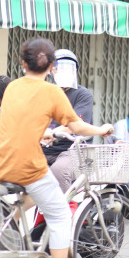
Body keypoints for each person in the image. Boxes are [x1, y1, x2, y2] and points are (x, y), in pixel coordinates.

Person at [0, 37, 113, 258]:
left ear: (23, 64)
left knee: (32, 195)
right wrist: (102, 129)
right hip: (27, 164)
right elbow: (78, 126)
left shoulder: (13, 86)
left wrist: (44, 133)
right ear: (51, 67)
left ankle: (3, 229)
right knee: (61, 215)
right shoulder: (51, 92)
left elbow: (19, 124)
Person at [42, 49, 95, 192]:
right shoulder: (45, 93)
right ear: (51, 71)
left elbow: (75, 124)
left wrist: (53, 133)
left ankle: (63, 206)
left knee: (59, 171)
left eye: (69, 68)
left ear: (74, 71)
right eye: (59, 68)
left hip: (73, 149)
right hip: (45, 148)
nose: (64, 72)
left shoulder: (82, 94)